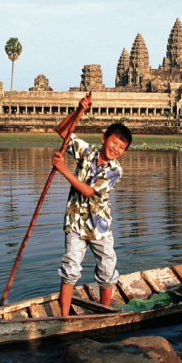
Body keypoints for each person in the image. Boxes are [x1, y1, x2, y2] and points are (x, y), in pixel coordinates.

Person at [51, 94, 132, 317]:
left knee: (106, 269)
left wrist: (63, 169)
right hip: (75, 221)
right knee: (70, 268)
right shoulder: (87, 152)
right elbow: (63, 132)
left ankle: (105, 313)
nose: (116, 148)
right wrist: (79, 111)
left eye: (122, 147)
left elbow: (88, 191)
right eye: (114, 141)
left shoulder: (115, 170)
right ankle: (64, 317)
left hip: (99, 226)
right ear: (104, 138)